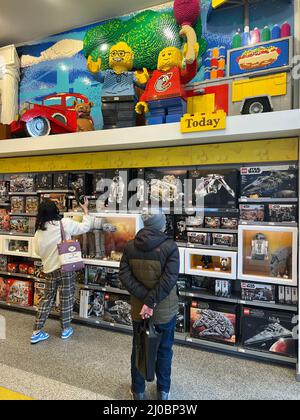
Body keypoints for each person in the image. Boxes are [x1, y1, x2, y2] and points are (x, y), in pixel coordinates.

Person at [119, 212, 180, 401]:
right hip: (164, 310)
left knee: (139, 348)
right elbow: (169, 280)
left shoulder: (130, 246)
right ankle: (163, 391)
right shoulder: (170, 247)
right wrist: (151, 301)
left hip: (140, 310)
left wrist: (145, 300)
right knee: (164, 350)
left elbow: (124, 275)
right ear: (161, 225)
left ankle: (138, 391)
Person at [31, 198, 92, 345]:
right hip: (65, 268)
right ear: (55, 210)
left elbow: (37, 252)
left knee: (47, 299)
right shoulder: (64, 224)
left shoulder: (39, 232)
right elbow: (85, 227)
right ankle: (65, 330)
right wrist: (86, 210)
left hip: (50, 269)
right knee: (66, 298)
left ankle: (36, 331)